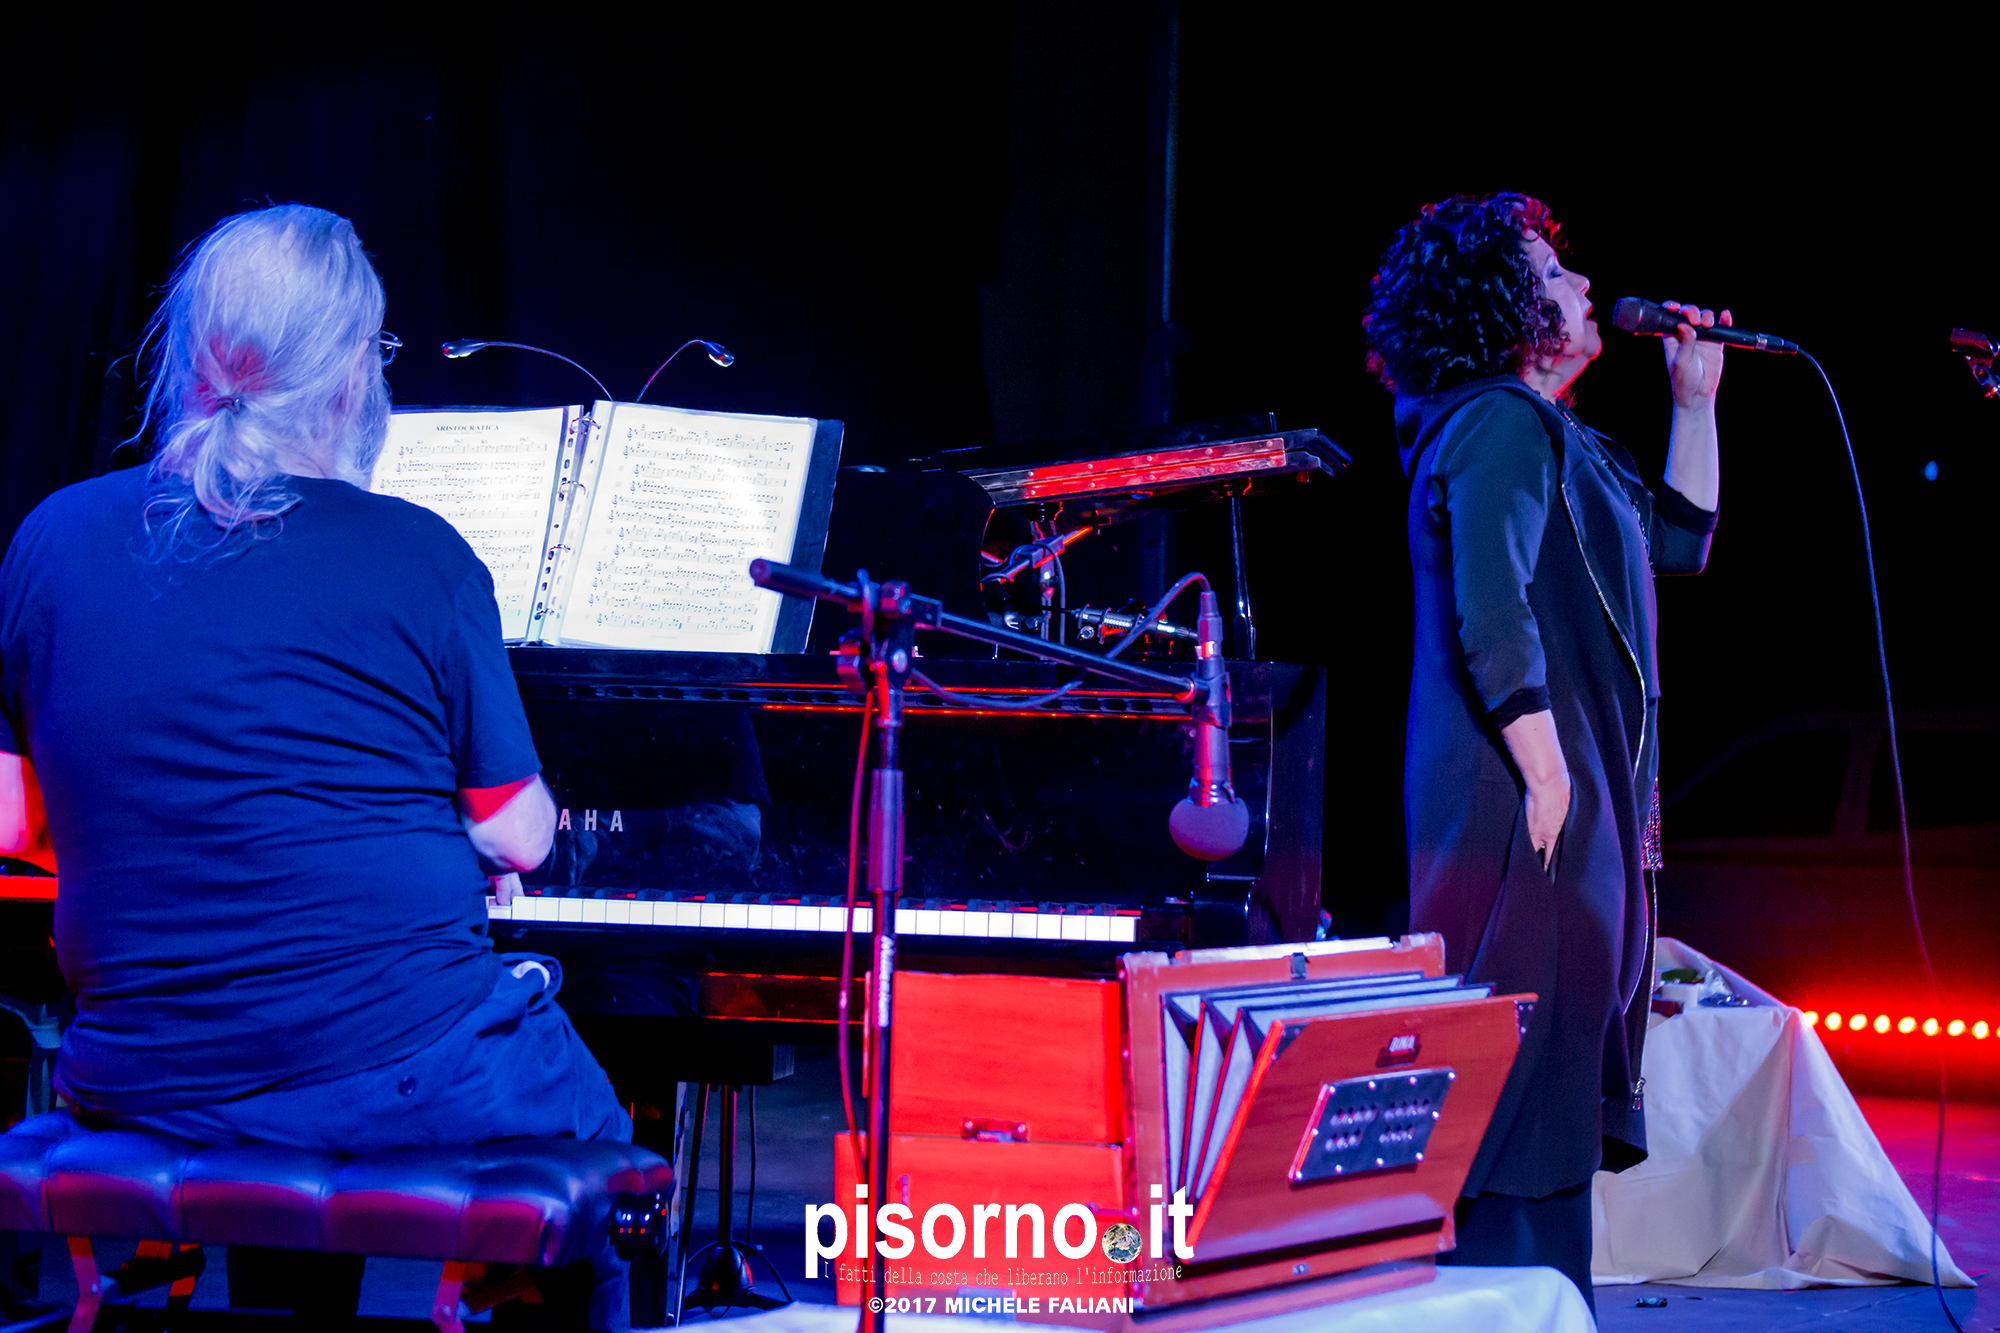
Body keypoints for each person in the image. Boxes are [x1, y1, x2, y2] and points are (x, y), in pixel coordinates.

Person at [0, 204, 631, 1324]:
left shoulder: (50, 537)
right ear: (349, 374)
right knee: (604, 1151)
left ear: (190, 354)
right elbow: (517, 833)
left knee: (305, 1102)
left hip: (132, 1066)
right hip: (396, 1063)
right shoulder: (420, 554)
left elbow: (12, 820)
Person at [1362, 193, 1726, 1311]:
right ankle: (1507, 1307)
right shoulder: (1496, 422)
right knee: (1516, 1097)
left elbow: (1678, 543)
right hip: (1523, 801)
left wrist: (1694, 403)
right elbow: (1491, 603)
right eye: (1553, 273)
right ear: (1503, 307)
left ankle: (1536, 1307)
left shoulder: (1556, 434)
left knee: (1548, 1087)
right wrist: (1549, 768)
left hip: (1564, 801)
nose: (1582, 285)